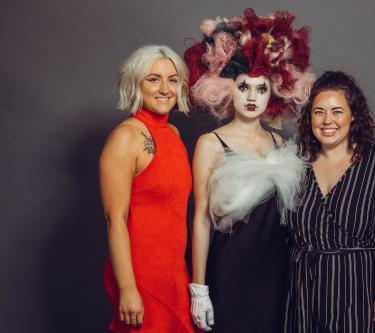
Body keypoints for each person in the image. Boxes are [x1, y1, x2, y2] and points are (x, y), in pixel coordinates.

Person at [184, 9, 313, 333]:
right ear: (228, 89)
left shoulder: (278, 140)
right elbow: (200, 217)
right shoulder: (210, 144)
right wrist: (198, 288)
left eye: (261, 89)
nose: (252, 97)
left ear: (274, 95)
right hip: (228, 269)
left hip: (273, 273)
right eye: (244, 87)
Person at [284, 71, 375, 333]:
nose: (328, 120)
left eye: (337, 111)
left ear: (353, 115)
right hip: (303, 289)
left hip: (356, 287)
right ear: (309, 117)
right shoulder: (297, 161)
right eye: (319, 112)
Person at [100, 45, 194, 333]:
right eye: (153, 79)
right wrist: (128, 289)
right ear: (136, 83)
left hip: (174, 273)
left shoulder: (174, 134)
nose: (165, 88)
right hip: (141, 277)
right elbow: (115, 220)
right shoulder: (125, 138)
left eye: (173, 80)